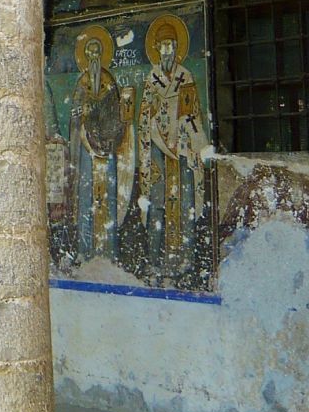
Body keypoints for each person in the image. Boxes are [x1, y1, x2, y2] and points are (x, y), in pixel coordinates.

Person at [137, 14, 208, 278]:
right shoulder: (151, 79)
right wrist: (152, 113)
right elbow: (143, 118)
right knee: (157, 205)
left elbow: (193, 115)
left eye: (171, 44)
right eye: (163, 45)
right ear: (156, 48)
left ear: (177, 48)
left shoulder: (185, 76)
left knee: (185, 205)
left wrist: (191, 144)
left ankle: (184, 261)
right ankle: (155, 261)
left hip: (182, 152)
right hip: (156, 153)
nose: (167, 50)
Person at [69, 26, 135, 260]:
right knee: (87, 198)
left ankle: (108, 252)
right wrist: (82, 113)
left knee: (107, 198)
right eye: (91, 54)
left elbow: (117, 114)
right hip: (88, 153)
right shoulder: (82, 82)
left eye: (98, 53)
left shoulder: (109, 80)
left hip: (107, 152)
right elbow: (75, 116)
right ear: (86, 57)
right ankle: (85, 252)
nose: (94, 58)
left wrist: (109, 133)